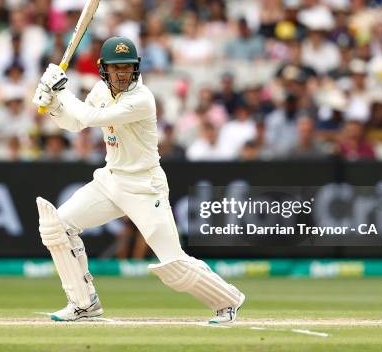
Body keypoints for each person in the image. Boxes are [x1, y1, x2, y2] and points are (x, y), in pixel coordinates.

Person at [32, 37, 245, 324]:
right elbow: (76, 123)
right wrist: (55, 106)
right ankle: (84, 304)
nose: (122, 74)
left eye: (127, 68)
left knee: (173, 264)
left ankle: (228, 301)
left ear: (136, 68)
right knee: (58, 226)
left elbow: (93, 117)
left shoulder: (141, 98)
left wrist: (61, 91)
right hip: (111, 180)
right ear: (103, 69)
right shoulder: (100, 90)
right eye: (116, 68)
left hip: (145, 186)